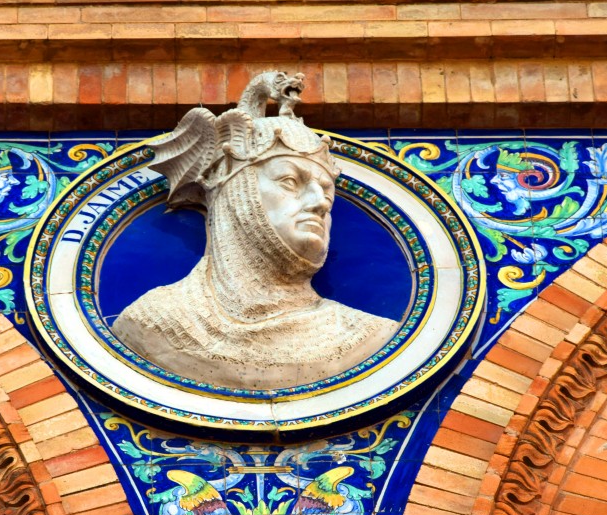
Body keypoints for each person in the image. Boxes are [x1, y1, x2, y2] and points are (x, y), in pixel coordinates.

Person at [112, 71, 399, 390]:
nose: (320, 203)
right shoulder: (154, 321)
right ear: (239, 192)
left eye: (327, 191)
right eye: (290, 181)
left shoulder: (365, 334)